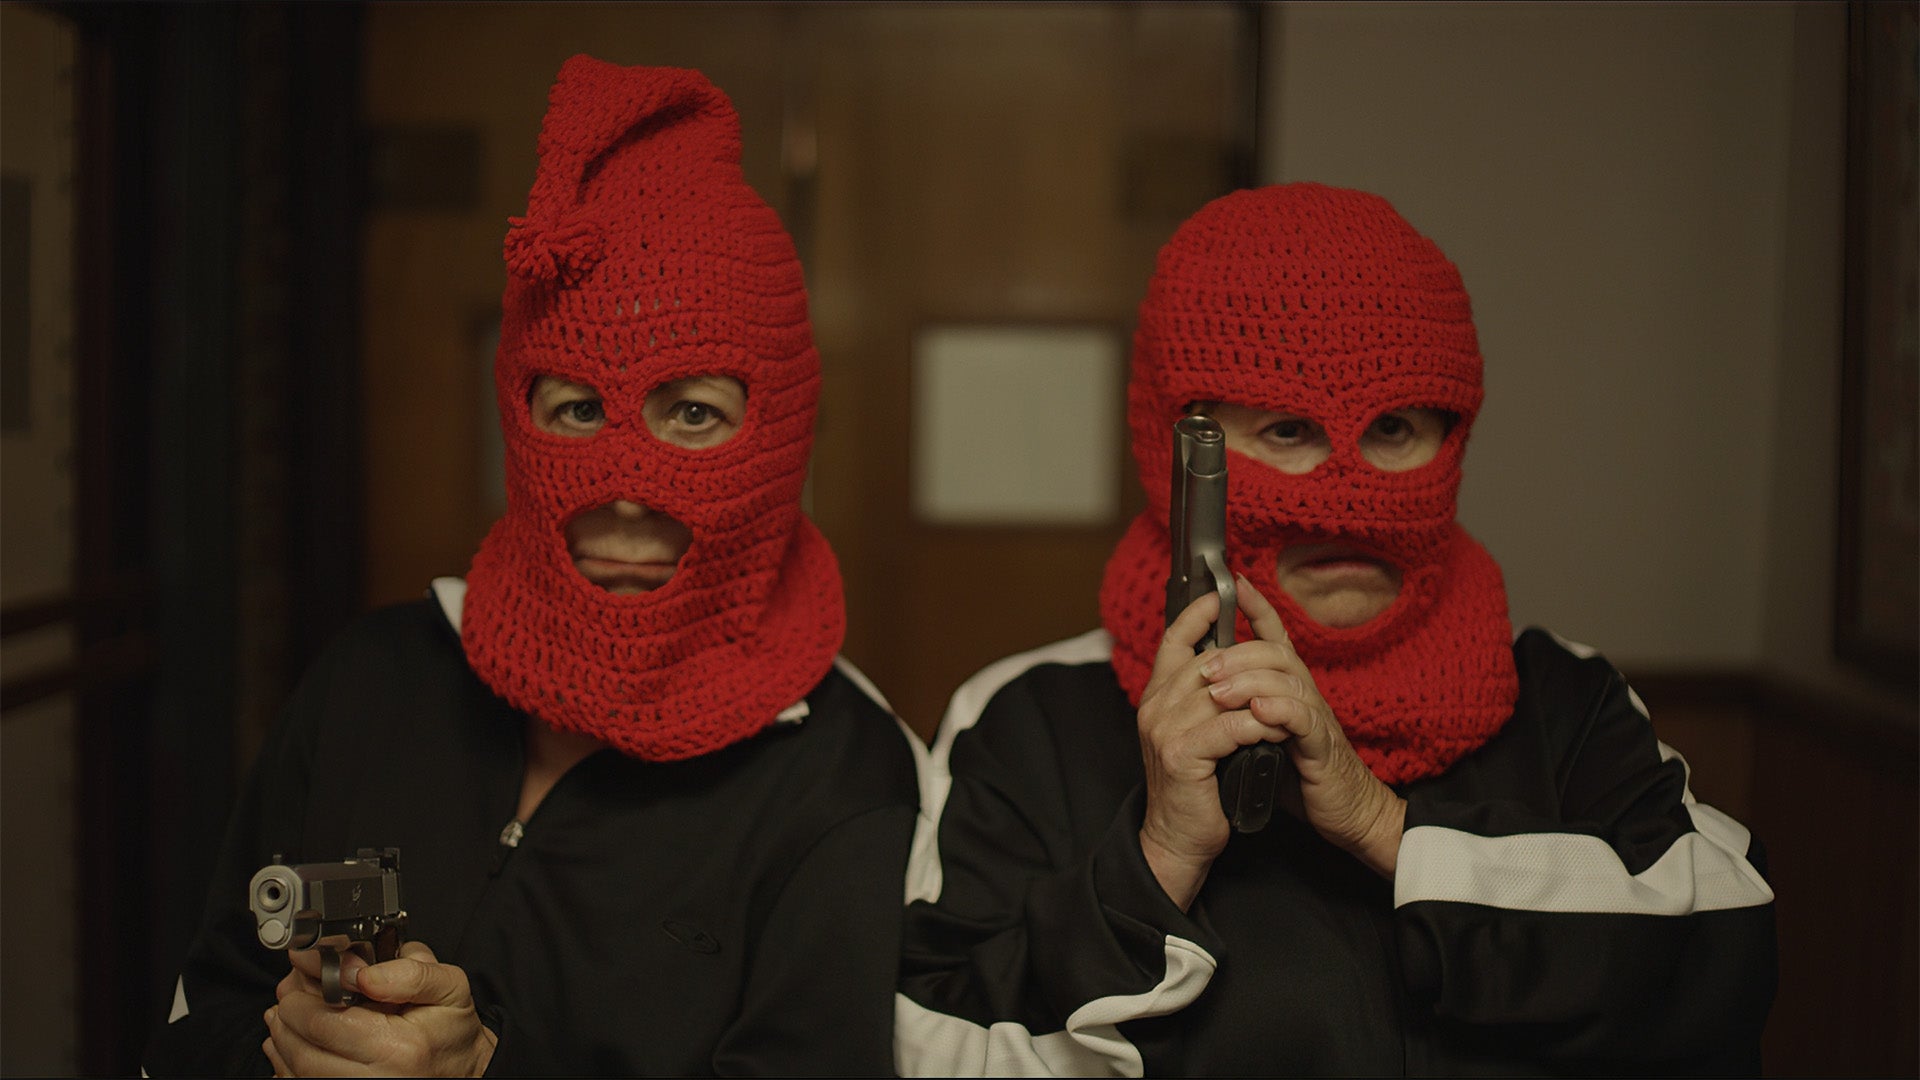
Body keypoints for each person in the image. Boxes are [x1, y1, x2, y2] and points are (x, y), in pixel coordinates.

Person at [144, 57, 920, 1077]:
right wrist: (285, 1053)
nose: (626, 487)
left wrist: (484, 1071)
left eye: (693, 412)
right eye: (578, 408)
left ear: (778, 439)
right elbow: (202, 1012)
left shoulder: (844, 775)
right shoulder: (372, 682)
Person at [892, 183, 1777, 1076]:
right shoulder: (1028, 720)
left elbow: (1723, 960)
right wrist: (1156, 862)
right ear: (1183, 454)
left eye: (1393, 427)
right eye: (1288, 430)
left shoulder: (1566, 699)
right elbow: (941, 1044)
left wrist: (1386, 827)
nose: (1348, 496)